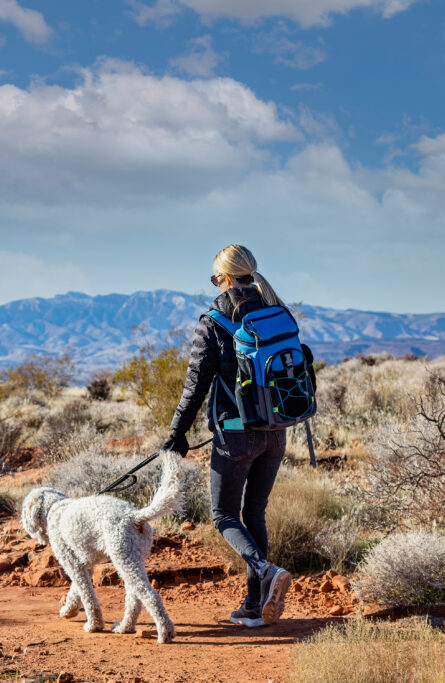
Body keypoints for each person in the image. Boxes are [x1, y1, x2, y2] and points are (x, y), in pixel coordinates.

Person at [162, 244, 292, 628]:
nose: (215, 284)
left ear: (227, 278)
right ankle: (254, 606)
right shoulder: (277, 311)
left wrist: (177, 433)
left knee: (223, 516)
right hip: (276, 432)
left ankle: (264, 572)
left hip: (234, 435)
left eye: (215, 278)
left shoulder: (215, 320)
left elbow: (194, 386)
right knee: (254, 513)